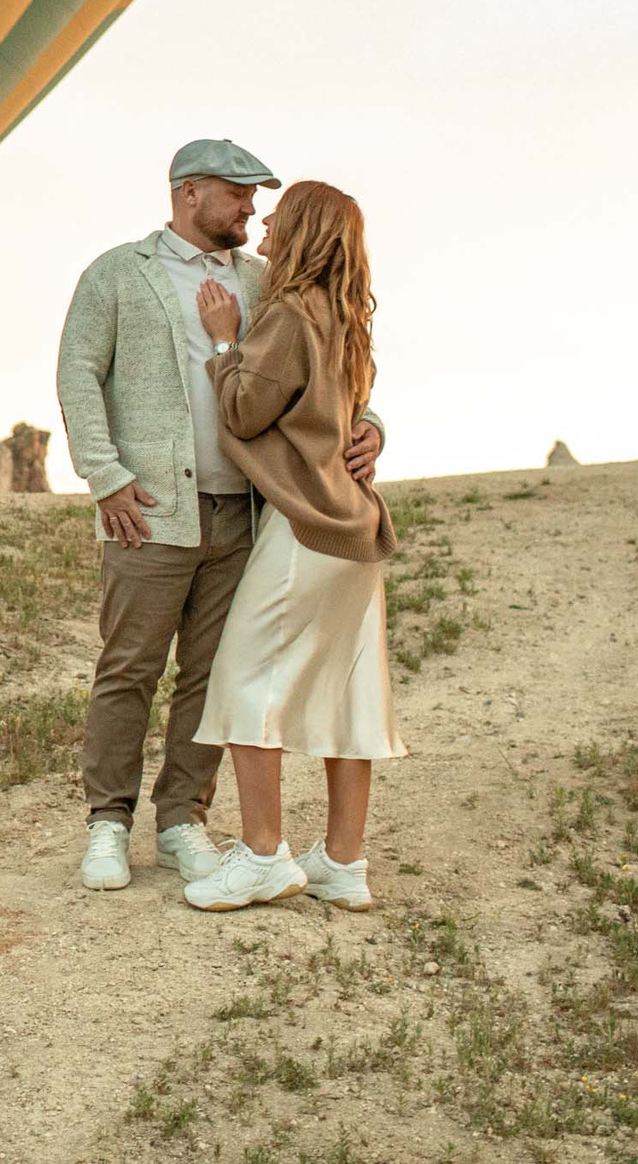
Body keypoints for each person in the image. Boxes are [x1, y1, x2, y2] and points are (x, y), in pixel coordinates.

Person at [56, 141, 384, 894]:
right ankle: (108, 822)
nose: (251, 208)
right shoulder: (116, 273)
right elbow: (78, 374)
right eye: (237, 193)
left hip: (246, 514)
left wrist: (373, 424)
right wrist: (105, 477)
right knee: (130, 666)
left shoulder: (271, 281)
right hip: (148, 511)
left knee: (211, 675)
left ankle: (182, 821)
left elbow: (331, 367)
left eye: (257, 196)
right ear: (189, 192)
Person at [183, 181, 402, 912]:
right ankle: (343, 860)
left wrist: (224, 339)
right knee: (349, 691)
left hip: (305, 528)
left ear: (302, 228)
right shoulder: (348, 320)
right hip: (358, 531)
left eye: (280, 211)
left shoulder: (289, 310)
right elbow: (346, 415)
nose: (263, 220)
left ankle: (263, 852)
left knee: (243, 677)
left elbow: (245, 411)